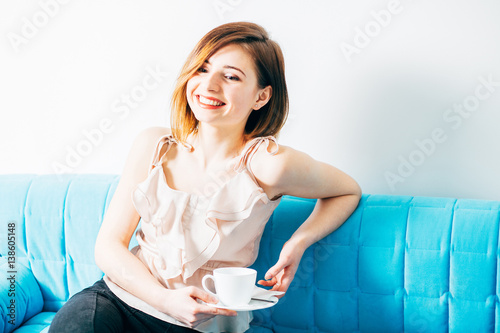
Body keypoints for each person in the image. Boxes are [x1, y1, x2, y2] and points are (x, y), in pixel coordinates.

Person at [49, 21, 361, 332]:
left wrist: (298, 242)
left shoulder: (269, 165)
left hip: (202, 321)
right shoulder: (155, 146)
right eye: (202, 69)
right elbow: (108, 245)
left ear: (261, 97)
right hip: (120, 300)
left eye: (231, 76)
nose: (209, 86)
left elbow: (347, 190)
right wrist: (164, 299)